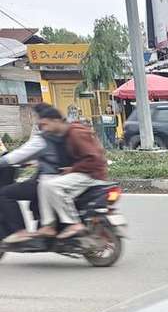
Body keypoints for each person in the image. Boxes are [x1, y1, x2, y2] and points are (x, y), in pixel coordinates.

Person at [11, 103, 108, 242]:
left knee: (52, 186)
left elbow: (94, 158)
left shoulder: (75, 132)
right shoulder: (66, 134)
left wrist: (73, 169)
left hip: (91, 175)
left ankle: (73, 223)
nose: (44, 129)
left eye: (45, 124)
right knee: (44, 184)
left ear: (56, 121)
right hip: (85, 172)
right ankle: (49, 225)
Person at [0, 121, 52, 242]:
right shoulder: (59, 136)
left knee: (5, 193)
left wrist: (9, 160)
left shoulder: (44, 138)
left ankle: (20, 231)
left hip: (47, 179)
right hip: (53, 176)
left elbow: (18, 154)